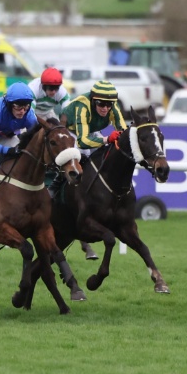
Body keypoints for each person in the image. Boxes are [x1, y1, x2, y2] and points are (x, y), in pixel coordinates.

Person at [61, 80, 128, 260]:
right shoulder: (83, 105)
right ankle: (61, 190)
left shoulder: (111, 107)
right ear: (93, 100)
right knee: (82, 154)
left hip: (91, 132)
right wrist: (107, 139)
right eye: (101, 103)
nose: (105, 108)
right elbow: (82, 141)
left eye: (109, 104)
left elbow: (123, 132)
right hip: (72, 134)